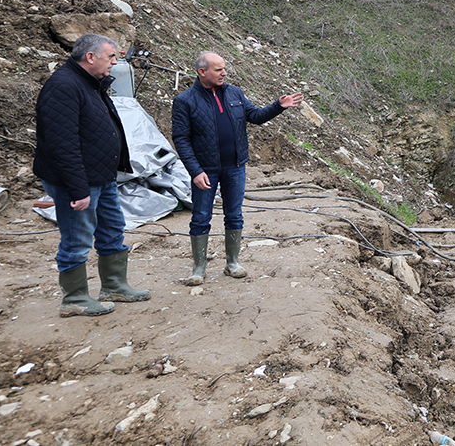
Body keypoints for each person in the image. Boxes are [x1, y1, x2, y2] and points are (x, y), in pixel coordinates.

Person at [33, 33, 150, 317]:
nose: (115, 62)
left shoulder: (90, 83)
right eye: (111, 57)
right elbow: (63, 143)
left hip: (101, 175)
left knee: (112, 230)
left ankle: (114, 286)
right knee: (77, 238)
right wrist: (78, 189)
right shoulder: (64, 86)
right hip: (78, 180)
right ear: (90, 57)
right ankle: (74, 299)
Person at [171, 51, 303, 285]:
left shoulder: (234, 92)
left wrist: (278, 106)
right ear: (202, 72)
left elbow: (254, 116)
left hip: (235, 167)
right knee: (201, 217)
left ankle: (232, 263)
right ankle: (198, 268)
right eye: (218, 69)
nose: (224, 73)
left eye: (224, 68)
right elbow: (181, 139)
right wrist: (195, 171)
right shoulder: (185, 101)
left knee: (234, 215)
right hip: (205, 170)